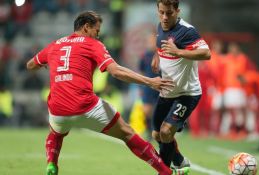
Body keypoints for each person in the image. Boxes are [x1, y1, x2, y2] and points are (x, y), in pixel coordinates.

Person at [26, 11, 190, 175]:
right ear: (86, 27)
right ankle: (165, 172)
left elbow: (31, 65)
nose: (97, 36)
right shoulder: (92, 44)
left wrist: (46, 64)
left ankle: (51, 165)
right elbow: (116, 71)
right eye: (96, 31)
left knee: (55, 133)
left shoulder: (55, 45)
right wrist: (150, 81)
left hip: (58, 109)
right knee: (128, 133)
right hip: (85, 106)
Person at [151, 0, 211, 169]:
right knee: (156, 134)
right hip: (167, 92)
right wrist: (157, 57)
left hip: (187, 93)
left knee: (165, 131)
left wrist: (178, 52)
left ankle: (163, 171)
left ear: (178, 11)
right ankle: (179, 161)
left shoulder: (187, 31)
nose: (164, 17)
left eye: (169, 13)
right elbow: (160, 44)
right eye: (161, 12)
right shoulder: (160, 26)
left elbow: (206, 53)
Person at [139, 33, 160, 140]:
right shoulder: (145, 55)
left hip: (160, 86)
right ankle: (148, 132)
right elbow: (141, 71)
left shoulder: (161, 55)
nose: (151, 43)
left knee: (159, 111)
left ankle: (157, 131)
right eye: (149, 41)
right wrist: (141, 87)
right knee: (146, 111)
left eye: (153, 41)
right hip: (148, 86)